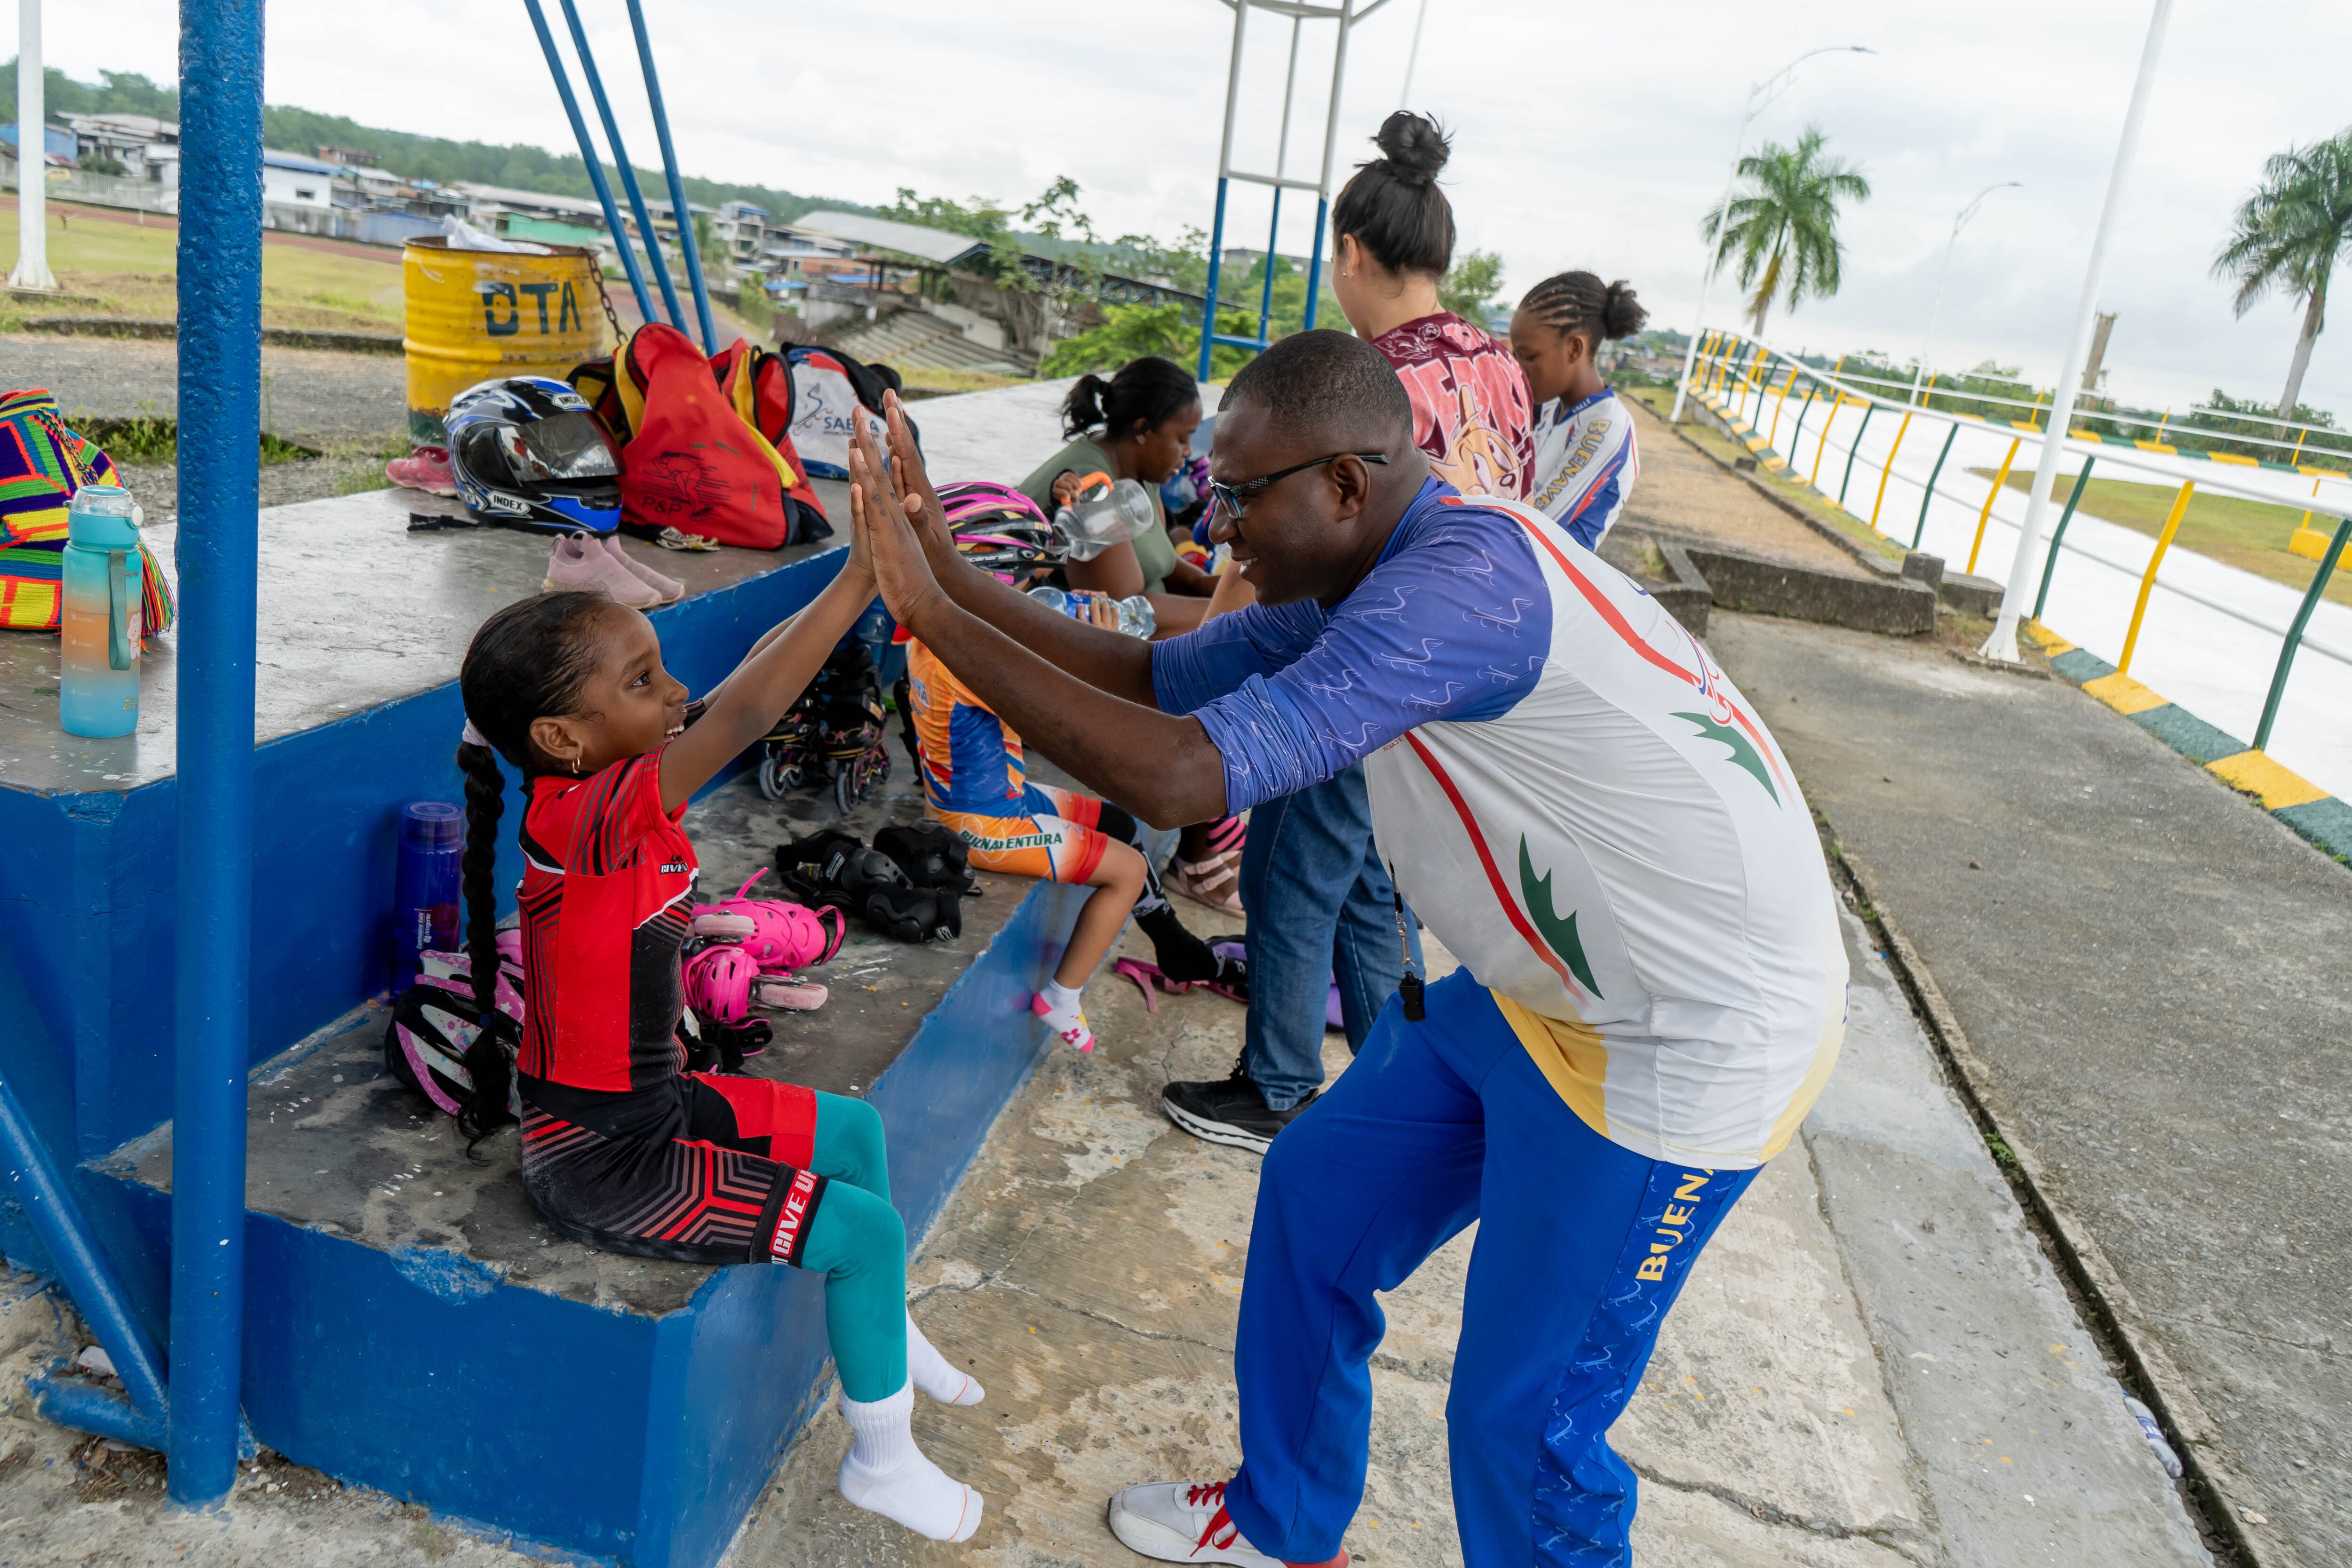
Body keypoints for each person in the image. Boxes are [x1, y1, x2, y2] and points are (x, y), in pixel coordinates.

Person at [842, 329, 1845, 1568]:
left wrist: (928, 612)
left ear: (1346, 485)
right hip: (1552, 995)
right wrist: (944, 571)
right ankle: (1285, 1520)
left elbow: (1181, 770)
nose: (1219, 527)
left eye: (1242, 493)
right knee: (1319, 1197)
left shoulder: (1462, 588)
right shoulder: (1362, 575)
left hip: (1687, 1041)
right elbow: (1160, 681)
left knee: (1523, 1424)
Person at [451, 554, 986, 1544]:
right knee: (861, 1234)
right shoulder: (585, 817)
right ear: (561, 736)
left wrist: (858, 575)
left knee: (854, 1130)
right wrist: (867, 577)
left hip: (652, 1103)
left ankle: (889, 1333)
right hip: (604, 1158)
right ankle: (883, 1459)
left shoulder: (607, 785)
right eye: (643, 681)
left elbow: (743, 673)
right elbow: (742, 713)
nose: (676, 695)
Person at [1157, 109, 1538, 1153]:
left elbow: (1271, 550)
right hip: (1456, 662)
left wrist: (1222, 666)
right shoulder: (1498, 364)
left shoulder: (1370, 385)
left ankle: (1279, 1084)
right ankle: (1399, 1088)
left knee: (1290, 864)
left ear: (1352, 252)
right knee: (1374, 882)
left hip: (1359, 654)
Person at [903, 624, 1244, 1054]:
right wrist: (1100, 639)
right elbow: (1057, 713)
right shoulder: (968, 661)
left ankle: (1171, 941)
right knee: (1129, 870)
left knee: (1117, 822)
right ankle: (1061, 996)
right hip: (986, 825)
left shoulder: (929, 638)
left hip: (994, 795)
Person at [1018, 357, 1218, 636]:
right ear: (1142, 430)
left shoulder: (1141, 474)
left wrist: (1220, 587)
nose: (1188, 453)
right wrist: (1231, 613)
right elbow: (1127, 618)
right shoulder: (1089, 489)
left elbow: (1166, 567)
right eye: (1182, 440)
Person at [1511, 271, 1647, 547]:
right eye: (1516, 355)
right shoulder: (1553, 408)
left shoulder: (1606, 426)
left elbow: (1533, 525)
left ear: (1575, 349)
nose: (1519, 368)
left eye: (1529, 357)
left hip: (1546, 580)